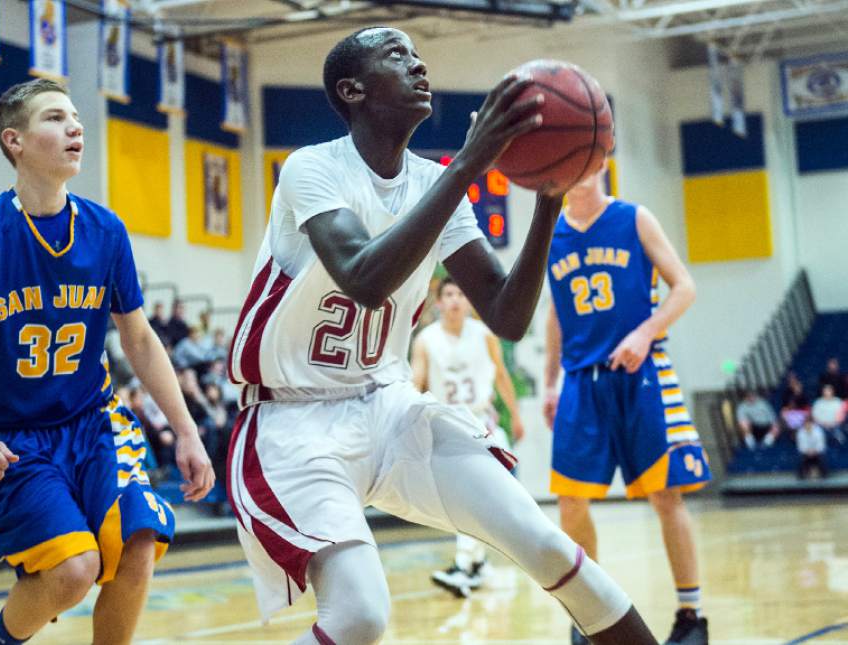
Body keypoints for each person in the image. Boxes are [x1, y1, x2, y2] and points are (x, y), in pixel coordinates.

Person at [225, 26, 656, 645]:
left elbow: (507, 317)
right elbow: (364, 279)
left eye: (417, 53)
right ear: (352, 90)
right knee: (359, 618)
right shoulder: (310, 168)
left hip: (386, 402)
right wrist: (470, 165)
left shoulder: (435, 184)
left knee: (546, 544)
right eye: (396, 55)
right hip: (292, 422)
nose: (418, 65)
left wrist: (548, 202)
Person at [0, 79, 215, 645]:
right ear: (16, 141)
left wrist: (187, 432)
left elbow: (141, 340)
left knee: (137, 544)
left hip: (94, 424)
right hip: (17, 439)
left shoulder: (105, 230)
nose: (75, 127)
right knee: (72, 571)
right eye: (55, 118)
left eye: (75, 117)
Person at [543, 163, 710, 645]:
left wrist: (645, 332)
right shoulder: (552, 236)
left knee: (666, 496)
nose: (579, 169)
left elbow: (684, 287)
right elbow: (555, 312)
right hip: (581, 381)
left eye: (587, 158)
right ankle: (590, 615)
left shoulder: (635, 218)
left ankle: (691, 615)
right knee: (570, 502)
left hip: (641, 375)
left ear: (601, 163)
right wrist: (551, 382)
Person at [412, 276, 525, 598]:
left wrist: (515, 414)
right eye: (449, 294)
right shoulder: (426, 340)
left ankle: (464, 566)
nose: (455, 300)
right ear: (438, 301)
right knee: (468, 503)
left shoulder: (484, 334)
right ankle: (477, 562)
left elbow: (502, 376)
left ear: (468, 301)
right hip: (446, 425)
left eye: (461, 293)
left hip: (483, 423)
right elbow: (416, 382)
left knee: (475, 497)